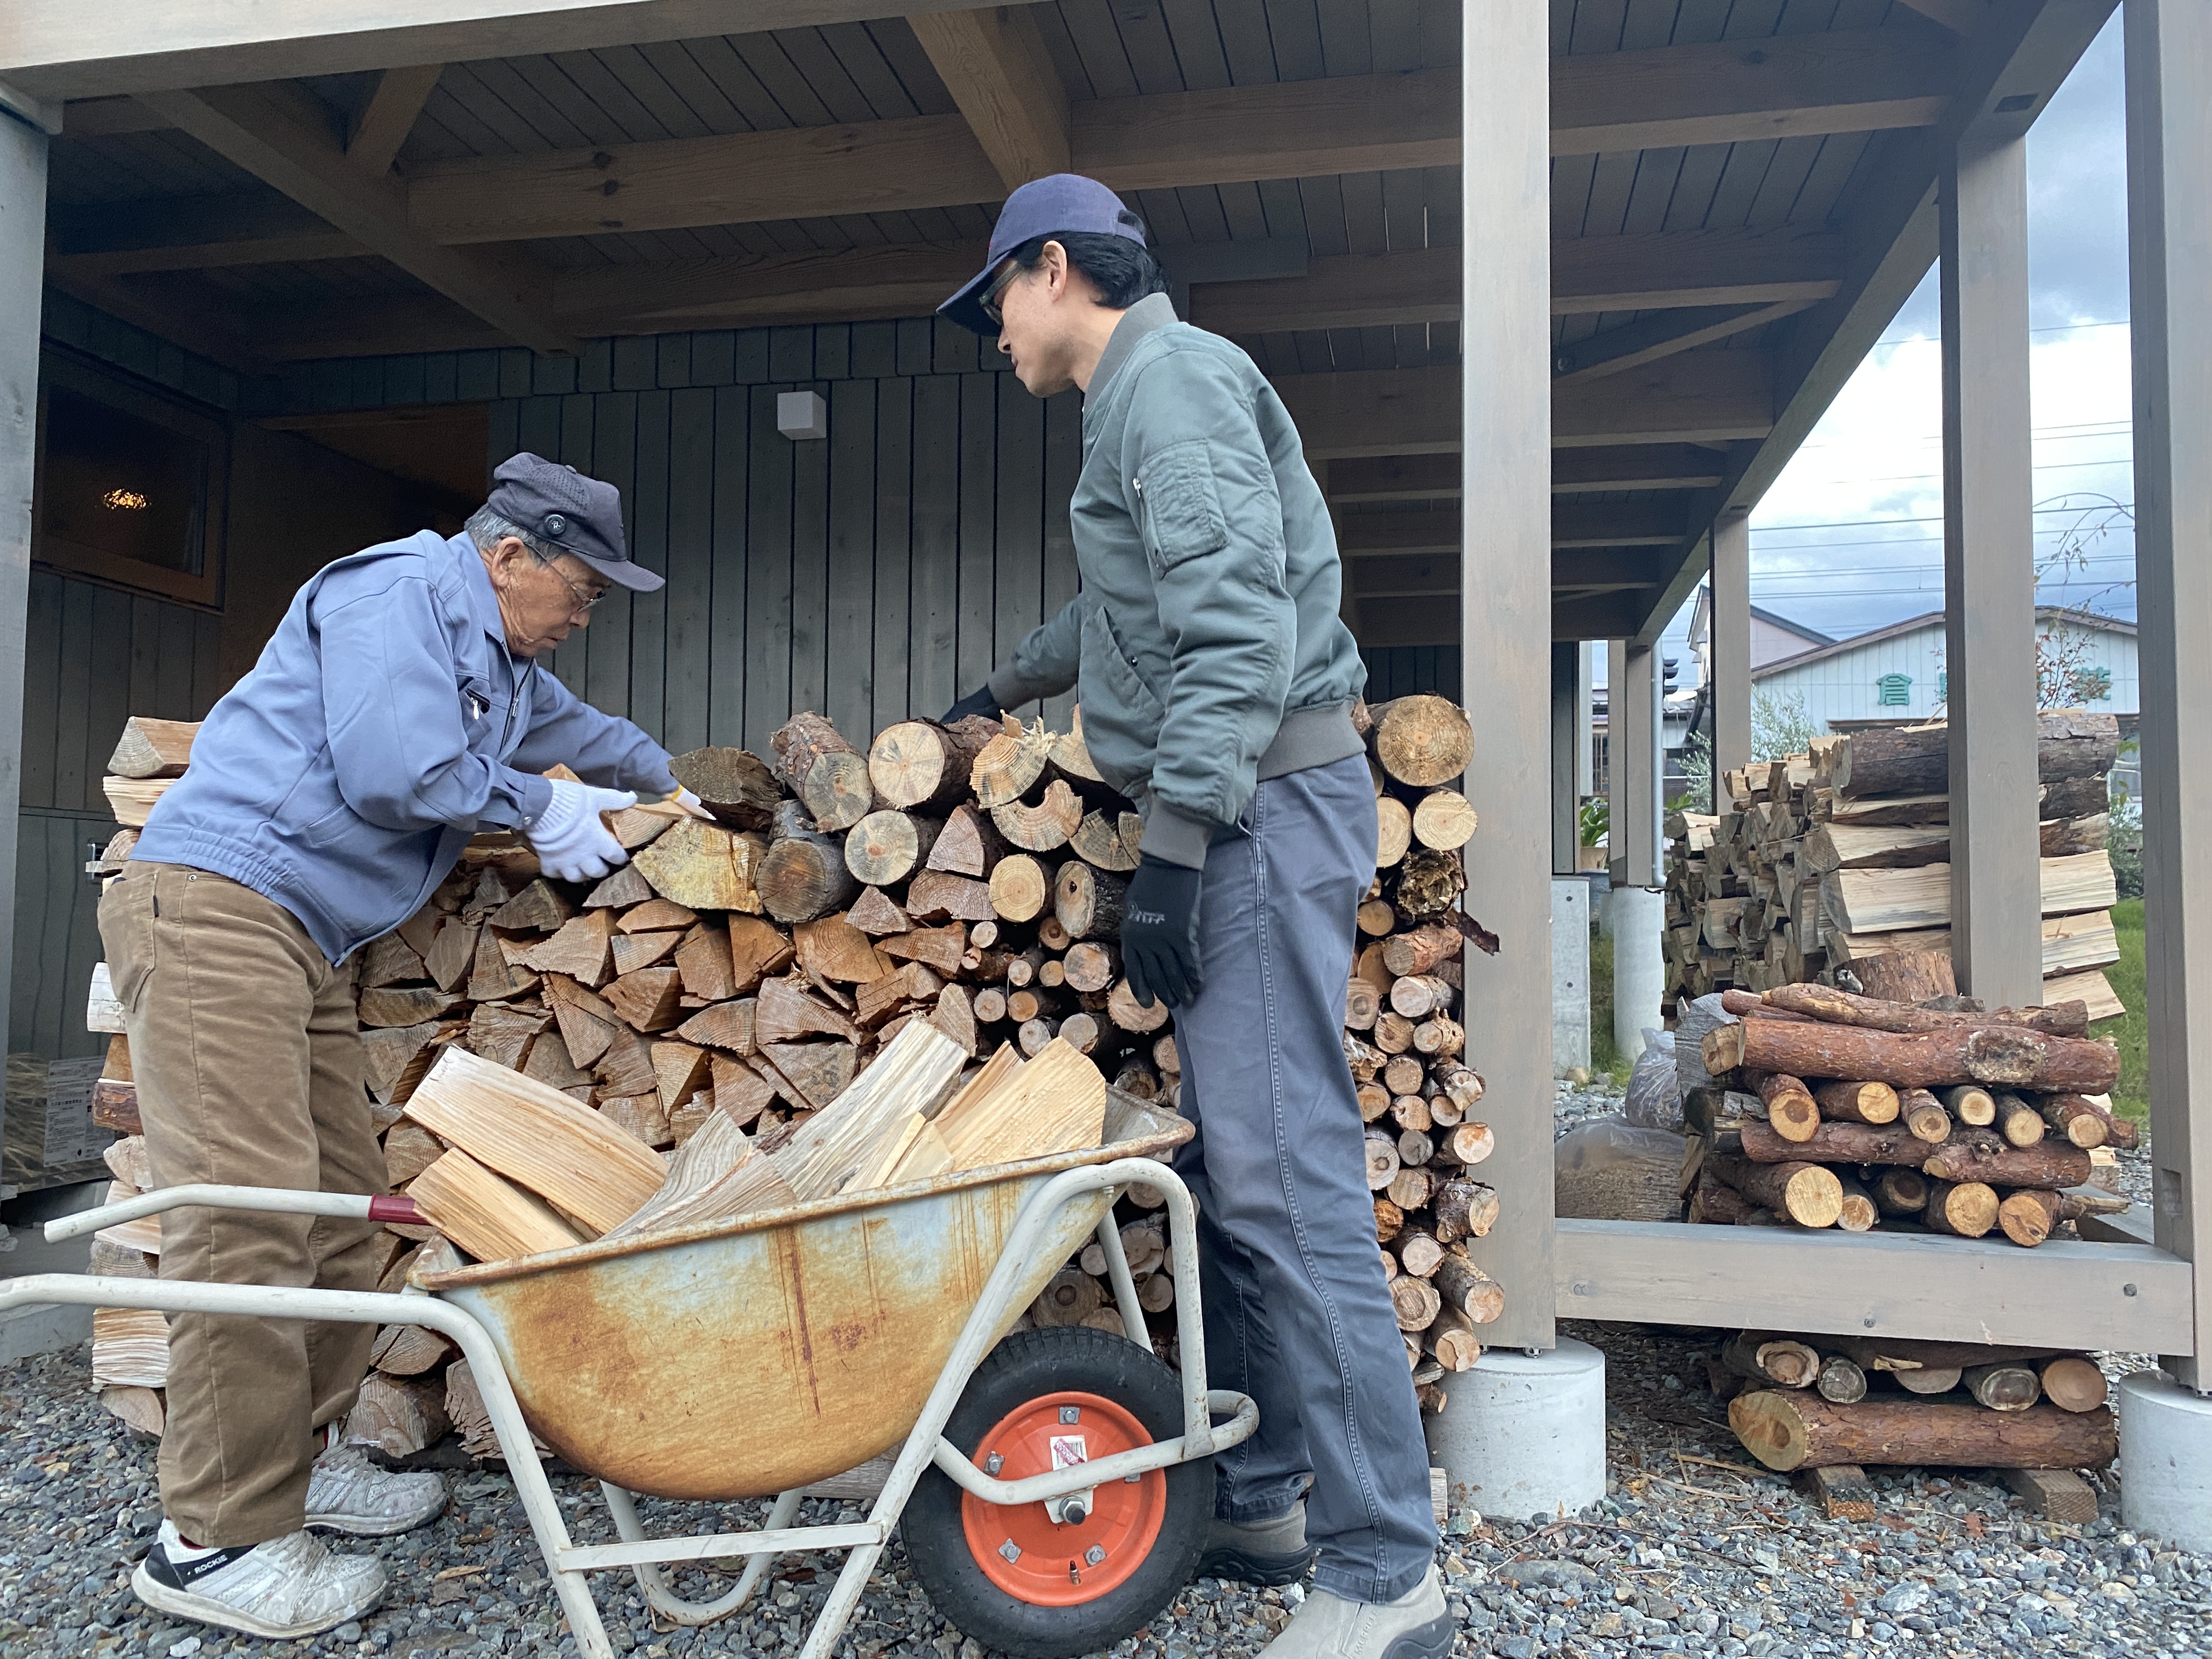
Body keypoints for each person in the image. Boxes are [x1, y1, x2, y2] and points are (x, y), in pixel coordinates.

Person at [937, 177, 1447, 1659]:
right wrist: (1003, 688)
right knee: (1239, 1174)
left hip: (1262, 816)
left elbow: (1236, 629)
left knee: (1291, 1185)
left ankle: (1383, 1574)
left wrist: (1171, 853)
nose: (991, 339)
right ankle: (1268, 1495)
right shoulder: (1142, 401)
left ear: (1051, 271)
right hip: (1247, 817)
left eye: (993, 308)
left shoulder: (1173, 383)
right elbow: (1139, 615)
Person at [100, 454, 697, 1641]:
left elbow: (585, 730)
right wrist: (545, 808)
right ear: (510, 553)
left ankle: (293, 1470)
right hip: (219, 906)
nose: (586, 618)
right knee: (249, 1216)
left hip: (299, 933)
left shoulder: (505, 662)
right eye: (581, 591)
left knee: (337, 1210)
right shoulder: (396, 596)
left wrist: (669, 779)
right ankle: (211, 1543)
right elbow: (395, 768)